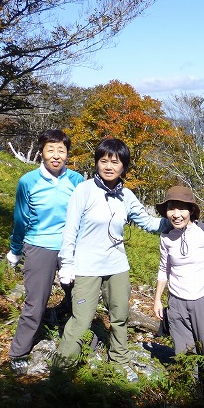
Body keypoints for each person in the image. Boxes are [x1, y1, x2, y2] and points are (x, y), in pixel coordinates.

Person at [52, 138, 171, 376]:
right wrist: (66, 264)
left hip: (117, 266)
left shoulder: (126, 196)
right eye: (103, 161)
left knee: (120, 317)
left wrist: (176, 219)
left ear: (123, 167)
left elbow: (148, 223)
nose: (108, 166)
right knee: (81, 319)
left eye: (115, 162)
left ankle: (119, 360)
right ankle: (61, 369)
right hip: (86, 267)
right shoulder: (84, 190)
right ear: (97, 162)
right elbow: (70, 229)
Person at [6, 129, 84, 376]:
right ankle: (19, 353)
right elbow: (20, 218)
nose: (56, 155)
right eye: (51, 150)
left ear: (67, 154)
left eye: (62, 150)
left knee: (81, 299)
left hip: (72, 248)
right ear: (41, 152)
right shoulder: (28, 181)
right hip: (39, 245)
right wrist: (15, 249)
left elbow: (84, 215)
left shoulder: (76, 180)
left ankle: (79, 342)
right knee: (35, 303)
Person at [152, 186, 204, 386]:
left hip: (203, 298)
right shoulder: (166, 236)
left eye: (182, 208)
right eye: (171, 208)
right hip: (176, 302)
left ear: (191, 210)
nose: (176, 214)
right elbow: (164, 269)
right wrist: (157, 300)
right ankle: (191, 395)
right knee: (184, 354)